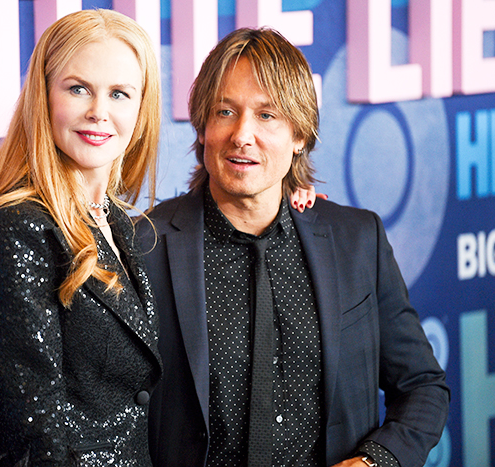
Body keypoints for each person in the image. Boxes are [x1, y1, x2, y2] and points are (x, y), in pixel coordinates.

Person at [136, 27, 450, 467]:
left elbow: (422, 386)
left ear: (300, 135)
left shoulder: (357, 240)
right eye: (225, 111)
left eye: (267, 115)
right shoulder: (143, 247)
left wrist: (375, 461)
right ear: (203, 127)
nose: (242, 134)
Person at [0, 9, 165, 466]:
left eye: (119, 93)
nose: (99, 111)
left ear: (141, 110)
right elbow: (37, 434)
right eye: (78, 88)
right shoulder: (18, 227)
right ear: (43, 97)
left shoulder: (114, 219)